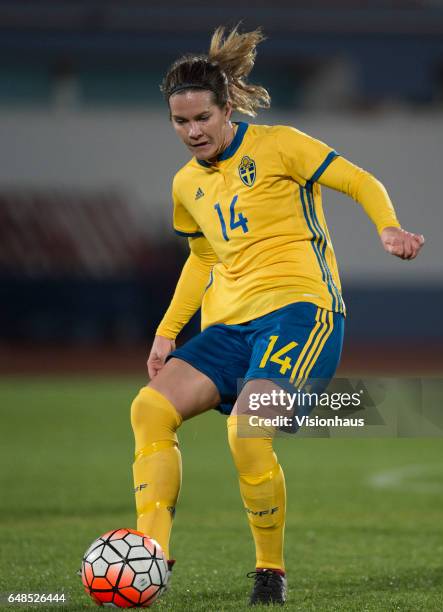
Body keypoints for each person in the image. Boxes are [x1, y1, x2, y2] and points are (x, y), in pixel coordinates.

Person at [130, 25, 424, 606]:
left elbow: (358, 180)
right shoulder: (186, 184)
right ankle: (150, 557)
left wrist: (386, 225)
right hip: (228, 326)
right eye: (179, 122)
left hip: (300, 310)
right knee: (148, 409)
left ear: (227, 109)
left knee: (247, 430)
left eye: (201, 120)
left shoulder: (280, 145)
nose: (191, 132)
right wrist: (167, 333)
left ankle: (270, 571)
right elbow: (201, 260)